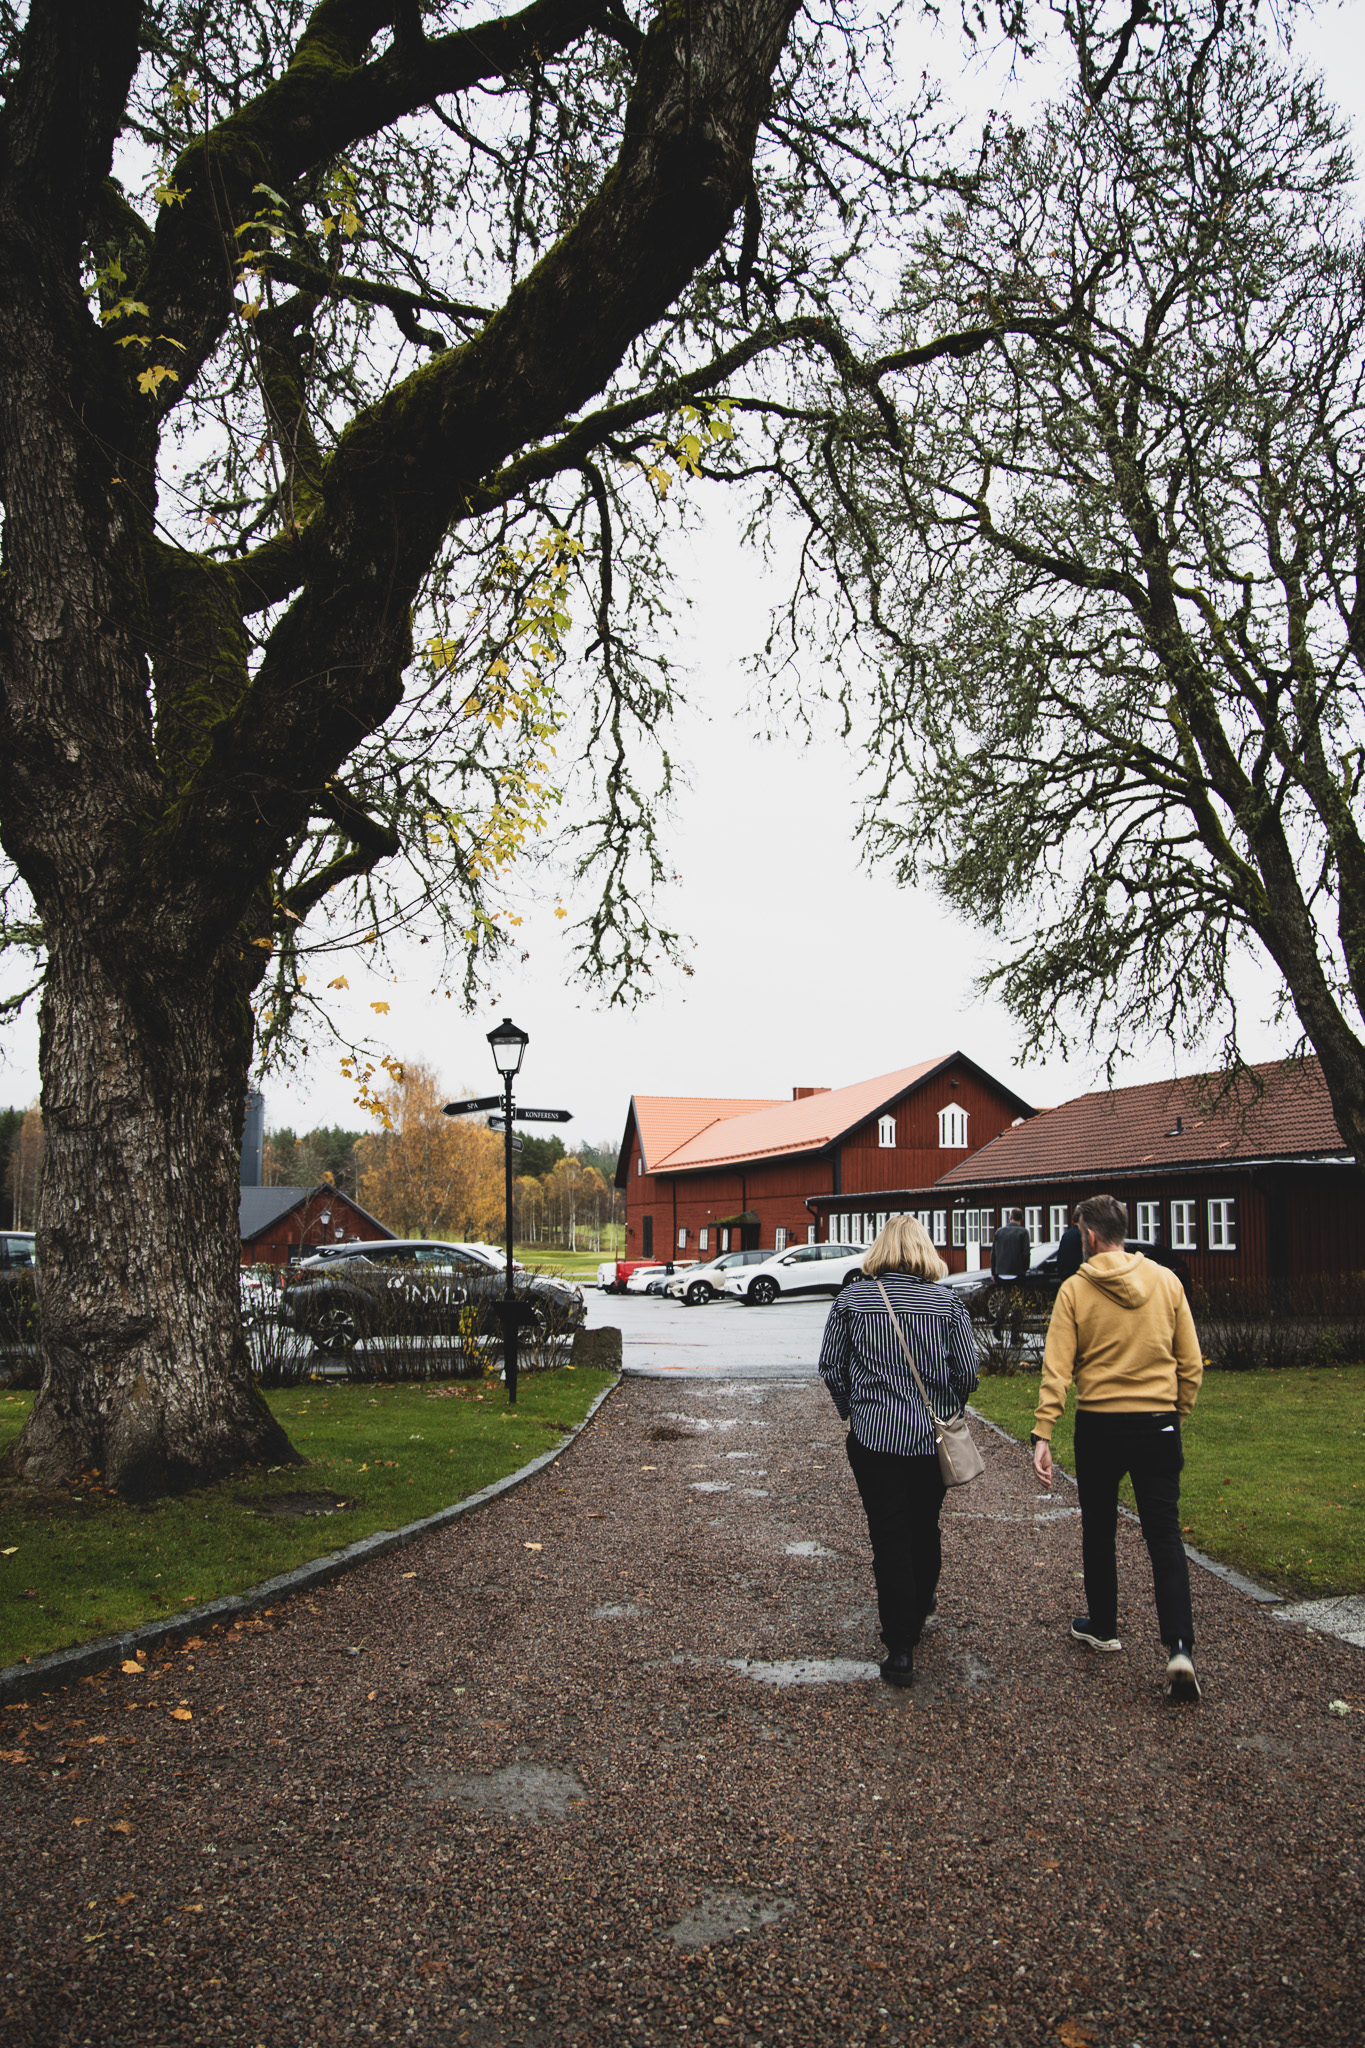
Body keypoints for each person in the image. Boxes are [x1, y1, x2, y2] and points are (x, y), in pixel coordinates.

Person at [1030, 1193, 1204, 1701]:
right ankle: (1178, 1647)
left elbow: (1057, 1369)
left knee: (1099, 1526)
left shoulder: (1075, 1291)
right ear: (1122, 1231)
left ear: (1087, 1235)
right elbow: (1189, 1362)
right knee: (1164, 1537)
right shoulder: (1166, 1282)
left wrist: (1044, 1432)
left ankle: (1104, 1625)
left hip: (1101, 1425)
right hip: (1157, 1424)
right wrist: (1175, 1412)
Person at [818, 1214, 979, 1687]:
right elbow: (967, 1374)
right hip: (931, 1439)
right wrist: (946, 1407)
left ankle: (900, 1647)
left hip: (873, 1438)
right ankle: (920, 1603)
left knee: (888, 1535)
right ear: (924, 1250)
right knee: (924, 1524)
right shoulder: (948, 1306)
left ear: (880, 1248)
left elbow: (831, 1366)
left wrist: (855, 1410)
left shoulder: (851, 1299)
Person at [991, 1207, 1031, 1285]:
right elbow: (1026, 1253)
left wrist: (994, 1272)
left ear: (1010, 1217)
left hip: (1001, 1272)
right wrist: (1025, 1269)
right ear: (1021, 1219)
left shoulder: (999, 1232)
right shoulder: (1023, 1232)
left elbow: (993, 1254)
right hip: (1017, 1272)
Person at [1054, 1208, 1084, 1280]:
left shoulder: (1066, 1235)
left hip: (1065, 1274)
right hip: (1077, 1274)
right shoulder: (1082, 1234)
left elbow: (1060, 1255)